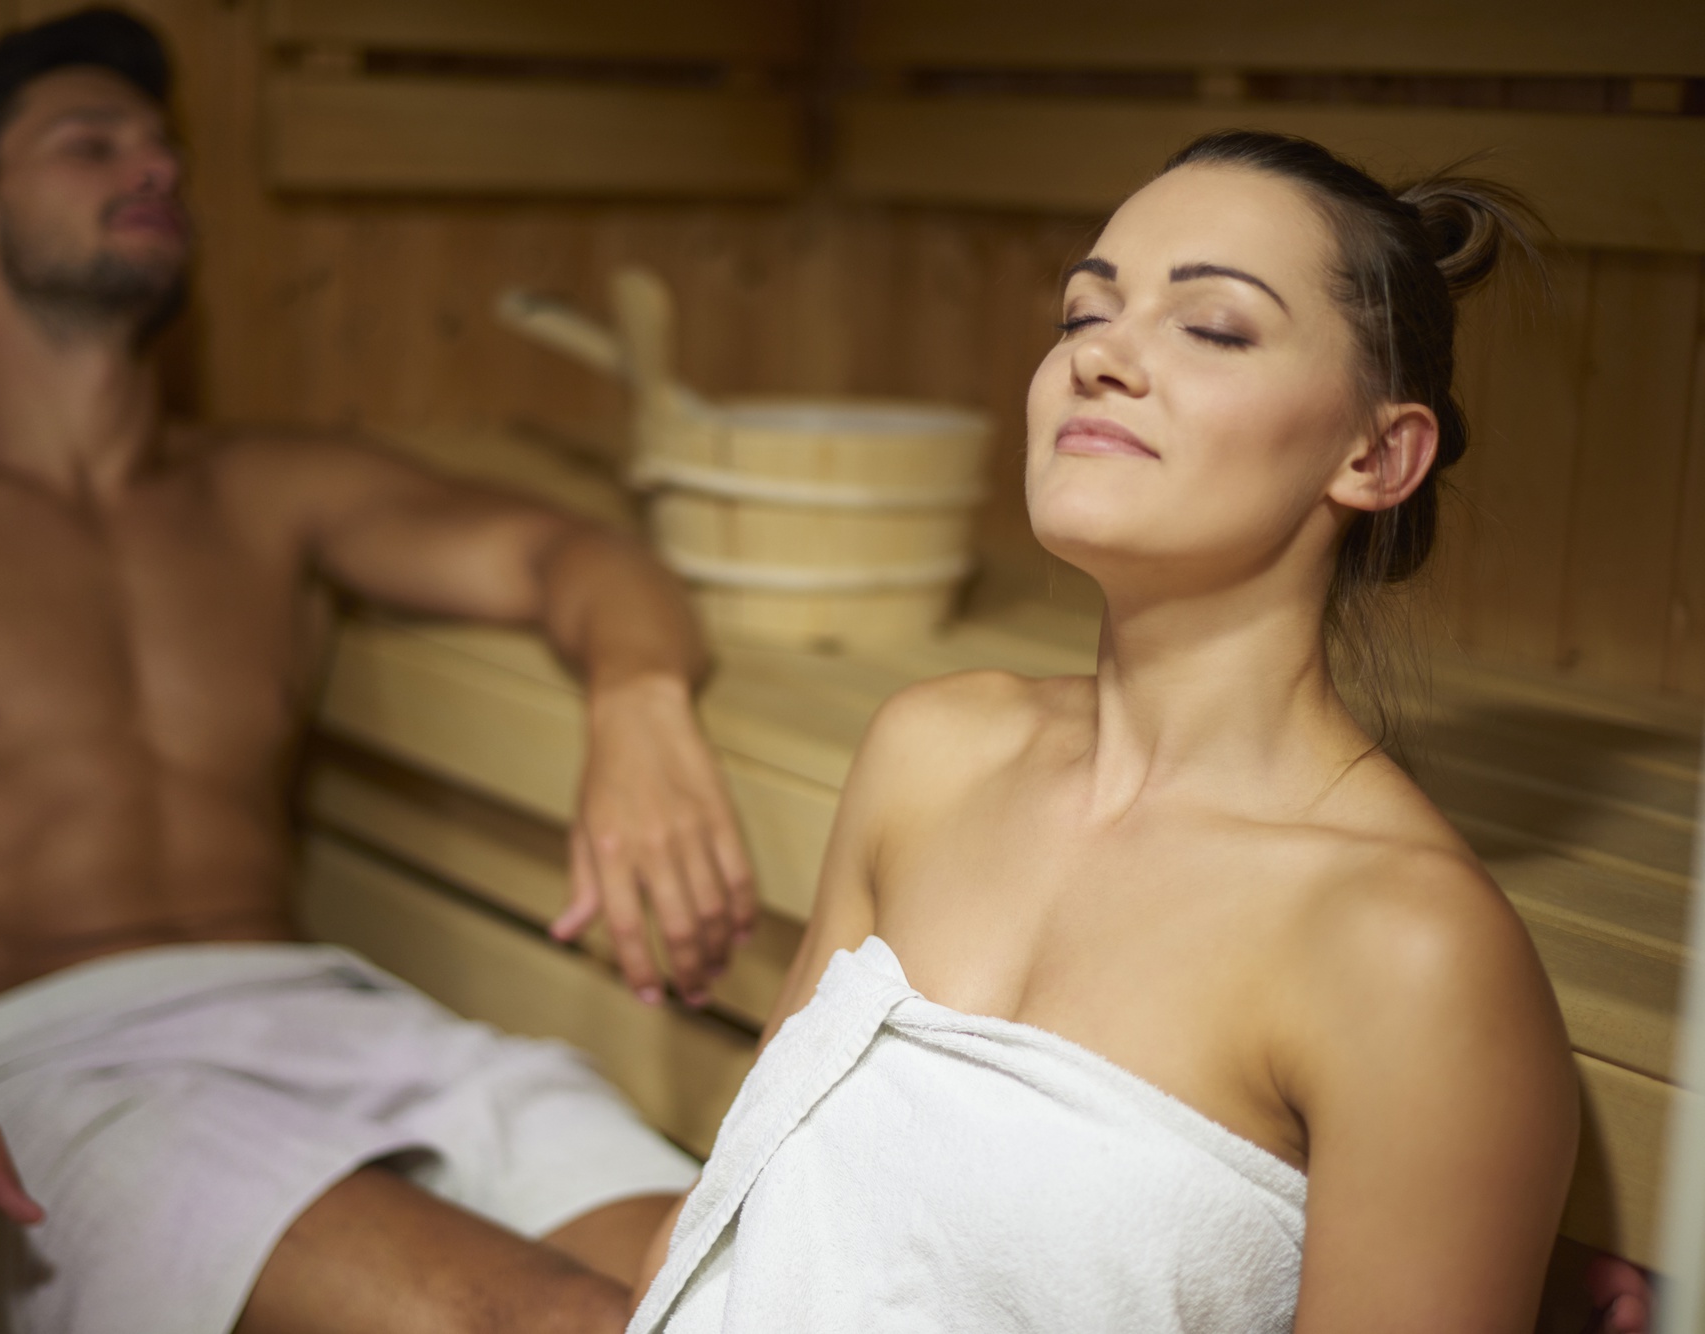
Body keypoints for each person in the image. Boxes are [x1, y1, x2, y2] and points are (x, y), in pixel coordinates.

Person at [0, 10, 755, 1334]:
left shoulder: (265, 490)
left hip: (347, 1018)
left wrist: (639, 702)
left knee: (760, 1296)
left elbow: (574, 554)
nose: (153, 169)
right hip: (61, 1073)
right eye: (92, 144)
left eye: (164, 150)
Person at [626, 131, 1592, 1334]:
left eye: (1213, 327)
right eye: (1083, 315)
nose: (1102, 358)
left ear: (1375, 453)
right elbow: (738, 1200)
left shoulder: (1400, 946)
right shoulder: (932, 751)